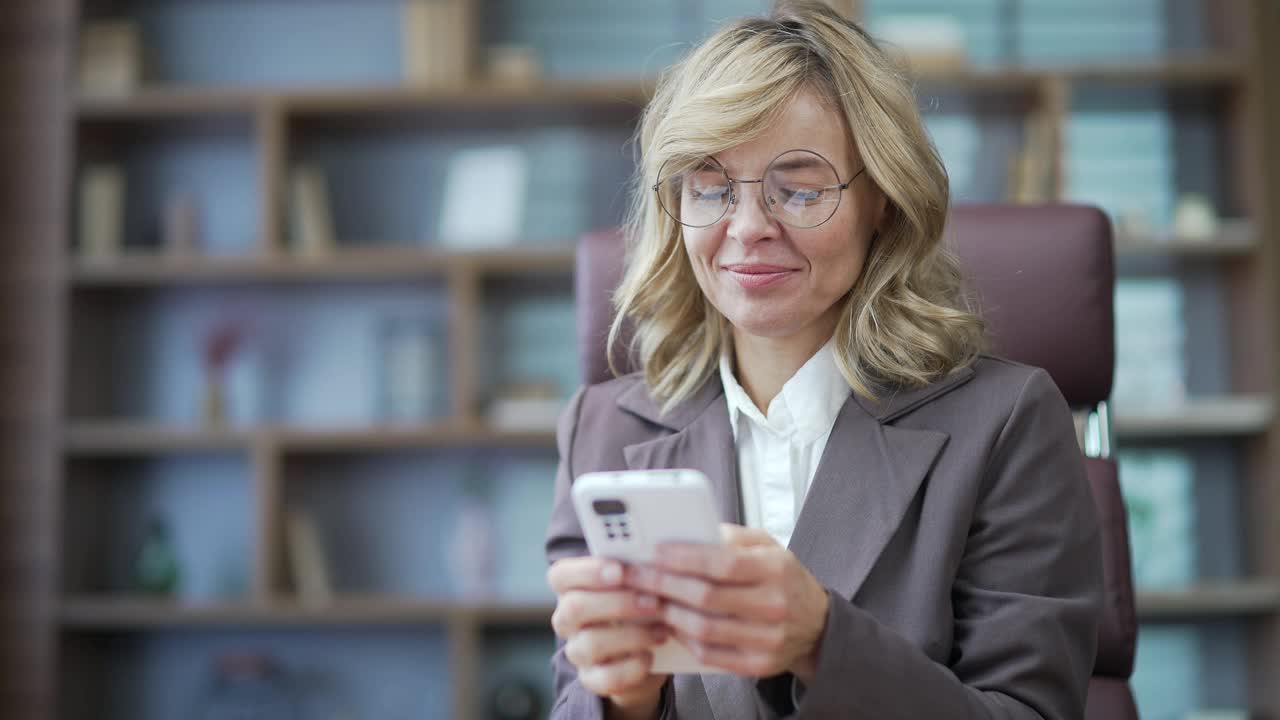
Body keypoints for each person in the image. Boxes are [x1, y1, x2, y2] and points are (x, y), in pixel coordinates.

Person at [544, 2, 1103, 718]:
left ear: (885, 203)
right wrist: (622, 698)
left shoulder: (1005, 424)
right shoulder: (604, 431)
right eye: (710, 188)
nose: (747, 229)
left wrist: (823, 641)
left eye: (800, 190)